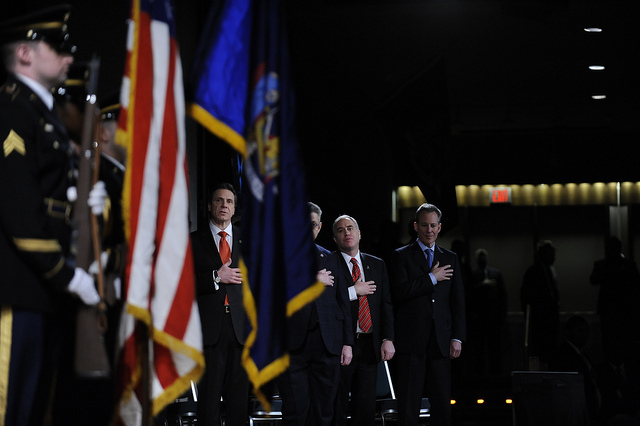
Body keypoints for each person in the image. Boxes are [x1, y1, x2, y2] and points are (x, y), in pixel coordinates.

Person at [0, 6, 102, 425]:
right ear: (25, 53)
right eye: (57, 47)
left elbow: (48, 195)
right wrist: (67, 274)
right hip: (17, 287)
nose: (68, 56)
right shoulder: (12, 109)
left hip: (39, 290)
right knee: (10, 407)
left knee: (35, 408)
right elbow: (18, 208)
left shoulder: (38, 113)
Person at [277, 202, 353, 426]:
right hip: (291, 346)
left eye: (311, 225)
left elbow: (342, 303)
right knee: (295, 413)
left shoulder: (332, 258)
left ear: (318, 228)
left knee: (324, 414)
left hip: (326, 345)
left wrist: (347, 342)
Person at [390, 203, 466, 426]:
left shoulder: (450, 258)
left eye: (433, 225)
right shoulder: (400, 256)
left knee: (442, 406)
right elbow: (400, 291)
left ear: (440, 227)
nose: (429, 230)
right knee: (408, 407)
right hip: (411, 343)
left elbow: (457, 302)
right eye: (424, 225)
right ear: (416, 226)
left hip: (441, 343)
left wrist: (457, 337)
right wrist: (431, 278)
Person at [191, 183, 248, 426]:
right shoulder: (193, 241)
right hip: (208, 331)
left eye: (229, 201)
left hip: (241, 331)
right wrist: (216, 276)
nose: (224, 205)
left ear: (234, 209)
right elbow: (182, 286)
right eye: (218, 200)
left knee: (239, 403)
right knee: (209, 403)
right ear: (209, 206)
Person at [331, 214, 395, 426]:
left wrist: (387, 338)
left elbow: (385, 304)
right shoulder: (329, 263)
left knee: (366, 407)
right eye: (341, 230)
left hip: (369, 344)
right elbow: (327, 302)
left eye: (350, 228)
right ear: (334, 238)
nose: (346, 232)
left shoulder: (376, 264)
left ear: (359, 234)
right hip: (341, 345)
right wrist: (353, 291)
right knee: (337, 405)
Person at [590, 236, 640, 367]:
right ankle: (622, 370)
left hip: (612, 310)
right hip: (624, 310)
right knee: (622, 343)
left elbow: (593, 280)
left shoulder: (603, 265)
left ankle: (613, 369)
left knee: (611, 343)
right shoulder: (627, 265)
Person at [521, 240, 560, 368]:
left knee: (547, 351)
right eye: (551, 254)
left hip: (548, 319)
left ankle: (546, 375)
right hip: (539, 319)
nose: (553, 257)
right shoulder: (535, 271)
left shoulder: (548, 271)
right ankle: (534, 377)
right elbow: (526, 295)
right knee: (536, 350)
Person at [470, 248, 507, 375]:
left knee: (494, 348)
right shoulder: (473, 274)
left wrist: (502, 316)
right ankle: (480, 375)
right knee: (479, 349)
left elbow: (503, 296)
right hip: (479, 318)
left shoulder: (495, 273)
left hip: (493, 318)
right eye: (480, 257)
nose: (482, 259)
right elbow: (468, 293)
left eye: (483, 257)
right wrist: (482, 285)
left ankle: (496, 373)